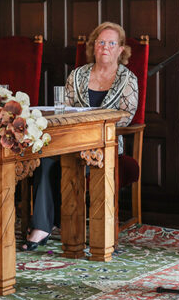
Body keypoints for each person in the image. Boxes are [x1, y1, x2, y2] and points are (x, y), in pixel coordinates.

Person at [20, 22, 139, 251]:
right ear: (93, 47)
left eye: (111, 43)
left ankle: (68, 226)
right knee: (44, 161)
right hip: (70, 142)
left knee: (71, 165)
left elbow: (126, 117)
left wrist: (93, 122)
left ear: (121, 49)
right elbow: (63, 109)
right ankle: (43, 227)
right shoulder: (77, 75)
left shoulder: (128, 80)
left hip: (106, 145)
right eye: (100, 42)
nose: (105, 47)